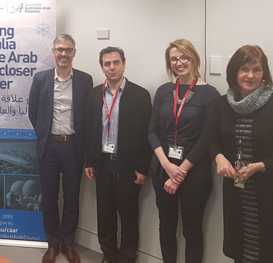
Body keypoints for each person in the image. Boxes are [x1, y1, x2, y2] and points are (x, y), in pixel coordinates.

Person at [148, 39, 219, 263]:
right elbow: (152, 131)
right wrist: (167, 165)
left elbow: (206, 139)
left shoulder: (210, 94)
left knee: (192, 229)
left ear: (194, 58)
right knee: (166, 226)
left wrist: (179, 173)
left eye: (184, 57)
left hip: (194, 172)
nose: (179, 62)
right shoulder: (164, 91)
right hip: (163, 168)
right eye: (174, 59)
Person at [29, 34, 93, 263]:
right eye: (59, 49)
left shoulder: (85, 80)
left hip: (74, 147)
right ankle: (53, 245)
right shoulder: (40, 79)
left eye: (68, 49)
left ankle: (68, 244)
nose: (63, 53)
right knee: (49, 199)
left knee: (72, 199)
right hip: (49, 147)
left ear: (74, 52)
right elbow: (33, 112)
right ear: (53, 52)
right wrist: (46, 135)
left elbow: (88, 116)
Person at [84, 46, 152, 263]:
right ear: (102, 67)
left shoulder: (140, 95)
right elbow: (90, 130)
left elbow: (146, 134)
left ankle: (127, 257)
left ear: (123, 64)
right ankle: (109, 255)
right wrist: (89, 160)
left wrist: (143, 168)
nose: (111, 67)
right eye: (107, 64)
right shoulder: (95, 94)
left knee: (129, 216)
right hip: (102, 164)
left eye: (115, 62)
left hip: (129, 167)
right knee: (105, 216)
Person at [210, 45, 273, 263]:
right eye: (244, 69)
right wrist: (219, 157)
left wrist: (261, 165)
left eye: (257, 69)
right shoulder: (222, 104)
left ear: (264, 72)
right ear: (234, 72)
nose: (250, 75)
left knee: (264, 250)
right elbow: (212, 140)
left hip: (266, 192)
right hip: (236, 191)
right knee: (241, 249)